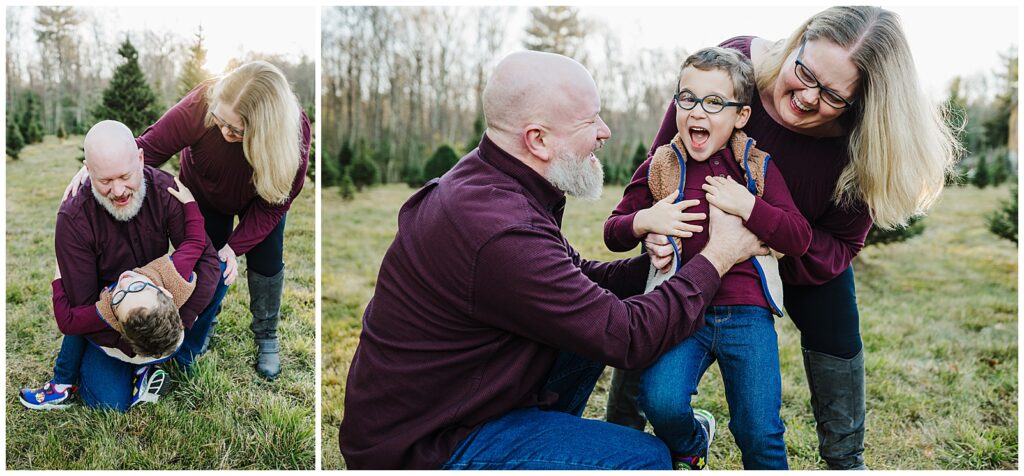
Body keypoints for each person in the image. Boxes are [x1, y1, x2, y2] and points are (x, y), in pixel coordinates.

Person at [338, 50, 768, 470]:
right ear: (538, 140)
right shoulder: (499, 230)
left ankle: (551, 442)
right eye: (590, 120)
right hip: (425, 447)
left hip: (463, 398)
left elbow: (577, 279)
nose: (605, 131)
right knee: (645, 459)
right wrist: (718, 256)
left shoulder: (497, 180)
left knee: (589, 325)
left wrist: (659, 261)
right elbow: (627, 337)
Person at [604, 6, 960, 470]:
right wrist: (655, 229)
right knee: (652, 298)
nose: (808, 97)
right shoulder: (729, 71)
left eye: (832, 94)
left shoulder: (864, 146)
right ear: (796, 44)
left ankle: (845, 459)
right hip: (695, 242)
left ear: (863, 105)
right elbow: (661, 169)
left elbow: (840, 248)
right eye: (804, 72)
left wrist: (760, 237)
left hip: (800, 251)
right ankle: (619, 437)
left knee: (834, 322)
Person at [612, 46, 810, 470]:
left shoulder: (754, 167)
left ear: (740, 115)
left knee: (759, 429)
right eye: (687, 98)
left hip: (748, 314)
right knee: (660, 402)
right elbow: (614, 231)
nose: (697, 112)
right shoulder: (661, 163)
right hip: (683, 309)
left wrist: (748, 205)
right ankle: (691, 439)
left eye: (714, 102)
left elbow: (799, 237)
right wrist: (648, 221)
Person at [65, 61, 312, 380]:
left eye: (237, 130)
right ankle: (202, 325)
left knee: (267, 261)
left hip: (263, 201)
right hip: (205, 195)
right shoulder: (202, 103)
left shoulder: (293, 134)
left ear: (264, 129)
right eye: (221, 122)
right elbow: (148, 148)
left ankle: (266, 336)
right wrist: (97, 173)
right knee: (208, 267)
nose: (225, 133)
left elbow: (276, 203)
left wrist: (233, 247)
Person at [27, 120, 228, 412]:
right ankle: (132, 369)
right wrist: (133, 346)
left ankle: (181, 355)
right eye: (105, 181)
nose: (119, 190)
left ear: (141, 158)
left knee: (220, 274)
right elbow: (79, 311)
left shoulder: (166, 191)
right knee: (108, 402)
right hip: (112, 325)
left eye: (125, 176)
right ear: (88, 170)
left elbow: (205, 258)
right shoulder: (73, 218)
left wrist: (170, 324)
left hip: (161, 312)